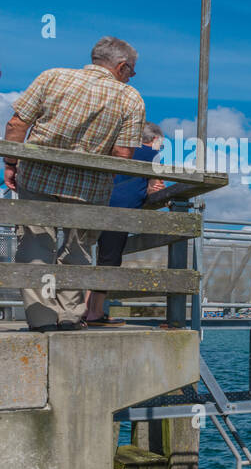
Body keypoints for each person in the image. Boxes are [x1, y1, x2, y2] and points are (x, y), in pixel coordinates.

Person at [3, 37, 145, 331]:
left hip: (38, 176)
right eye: (132, 71)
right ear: (122, 66)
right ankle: (69, 317)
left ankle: (42, 319)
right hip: (90, 188)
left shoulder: (51, 76)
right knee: (78, 250)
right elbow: (122, 154)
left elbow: (16, 125)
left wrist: (11, 164)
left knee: (34, 244)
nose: (131, 77)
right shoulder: (130, 98)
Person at [85, 122, 166, 325]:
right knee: (109, 261)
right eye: (161, 144)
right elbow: (152, 188)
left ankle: (83, 309)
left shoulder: (120, 151)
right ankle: (95, 312)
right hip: (119, 212)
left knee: (87, 257)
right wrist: (157, 189)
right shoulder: (152, 156)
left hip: (96, 205)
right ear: (155, 140)